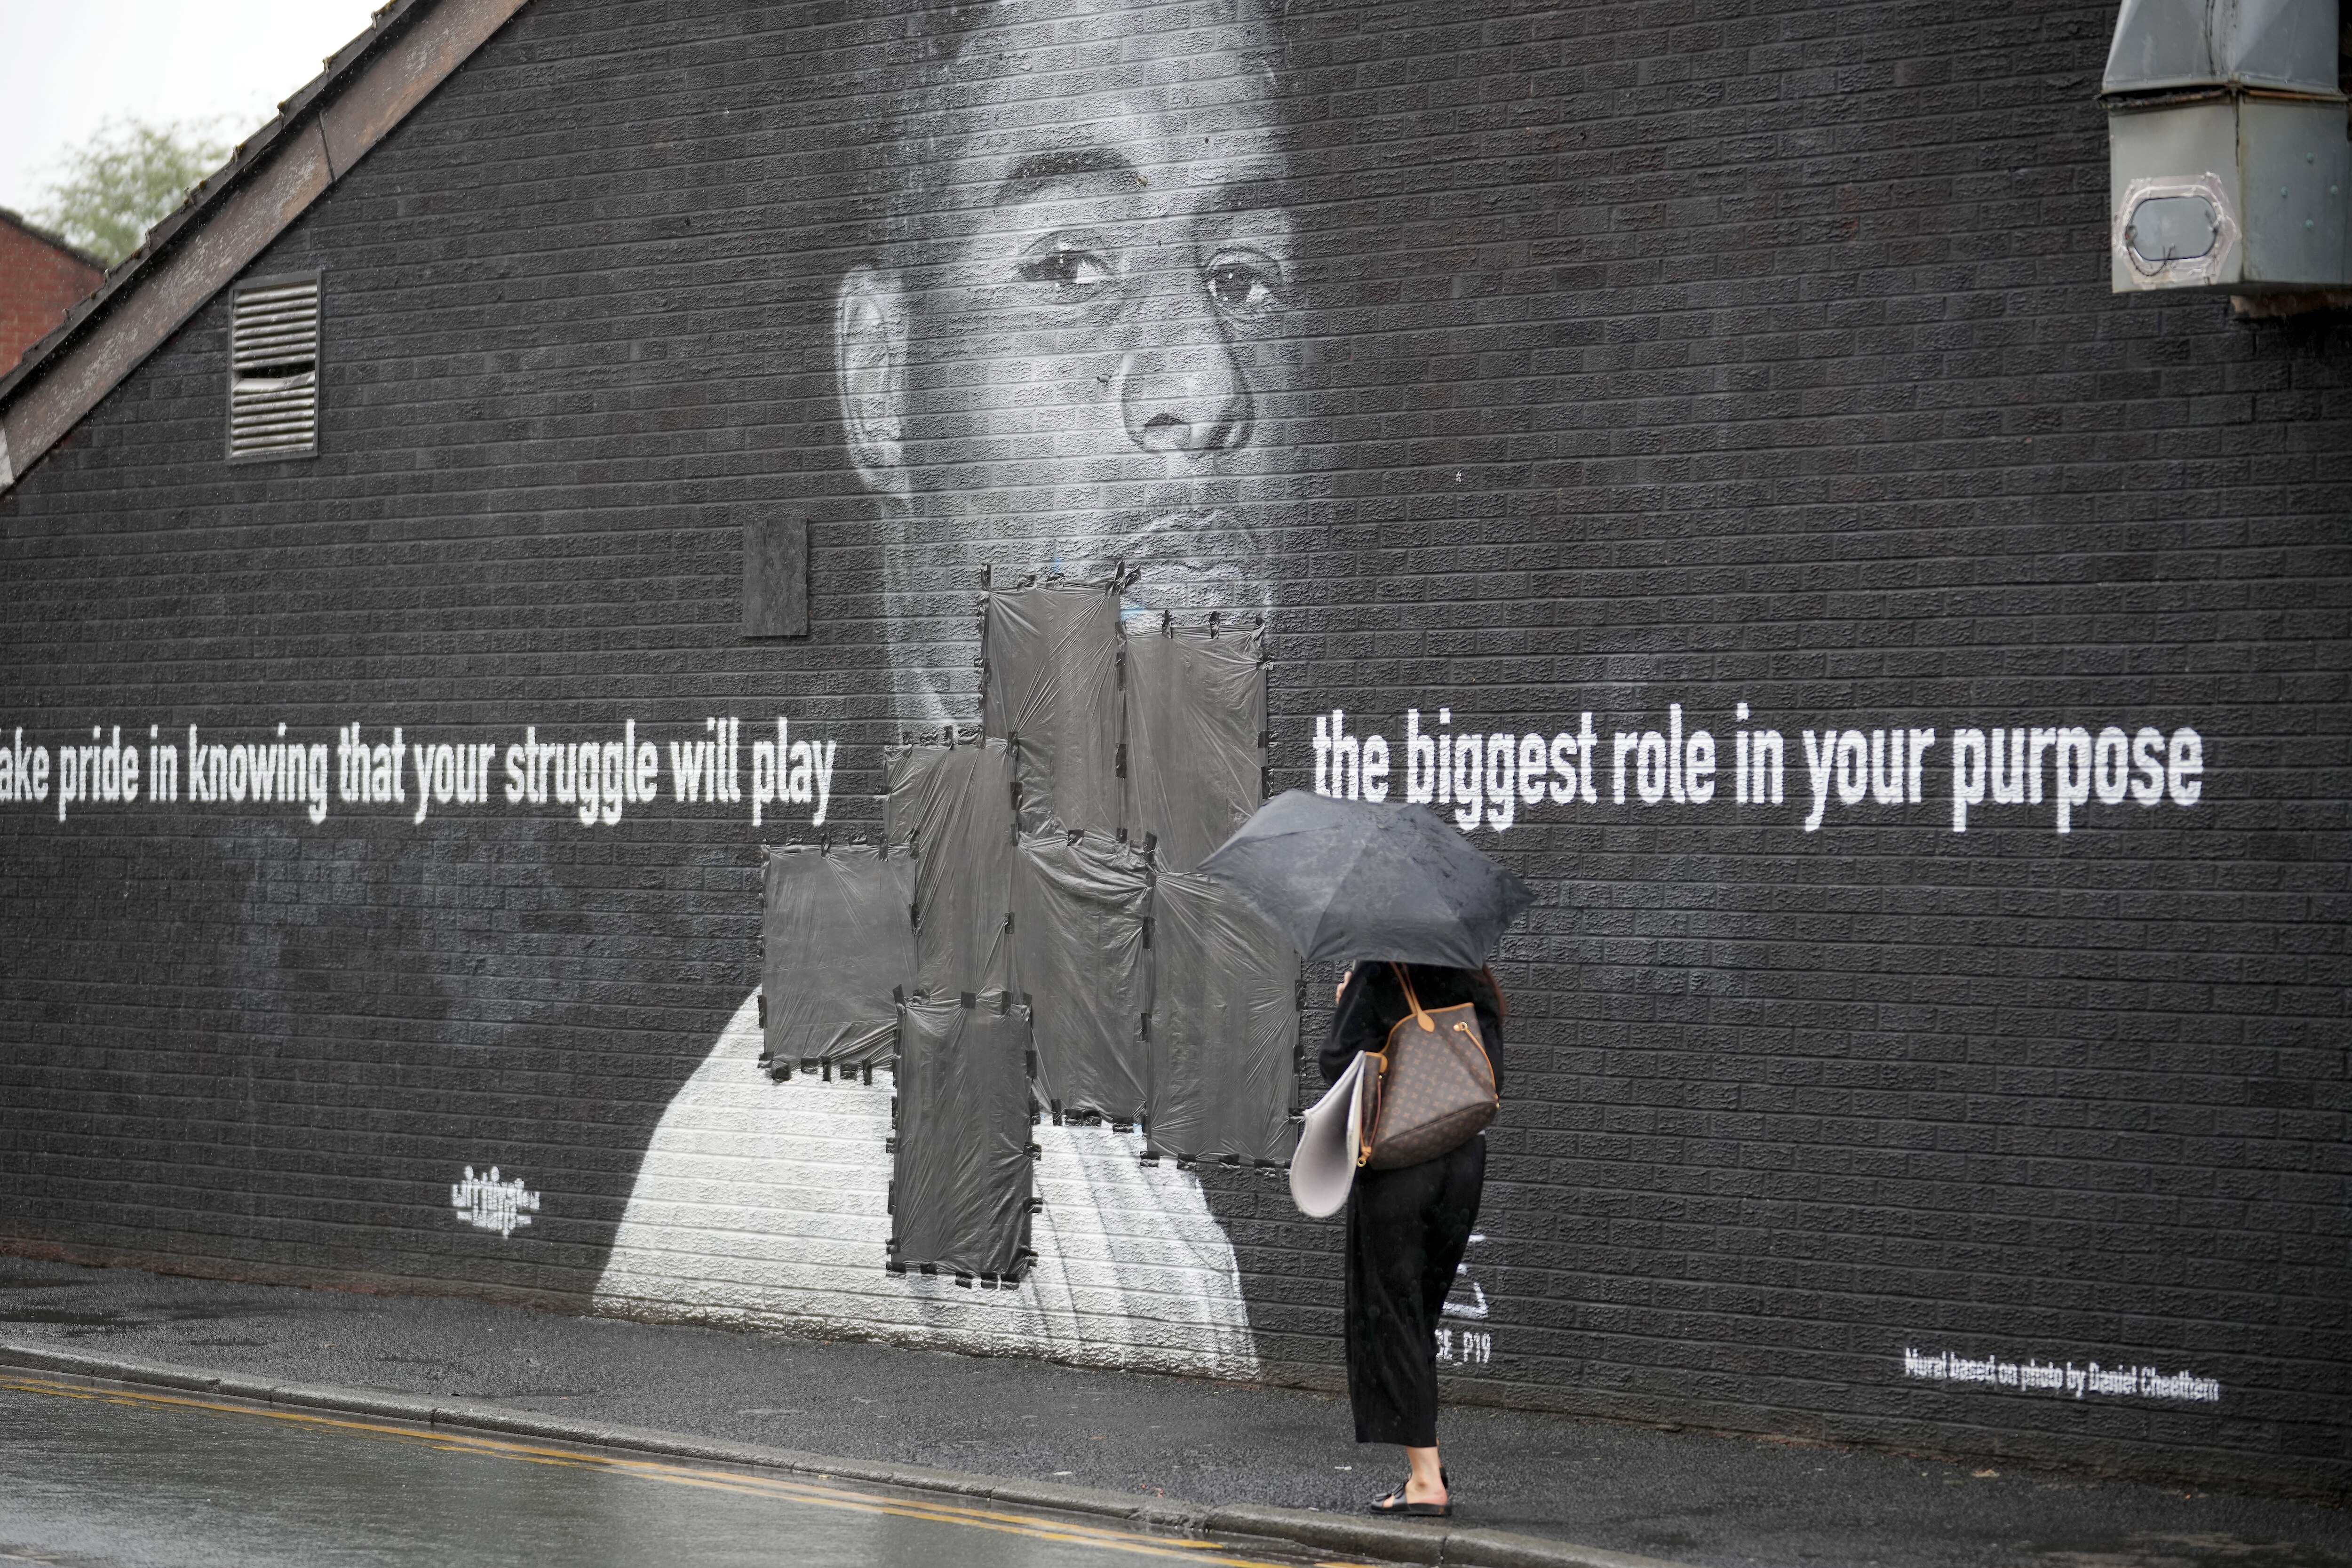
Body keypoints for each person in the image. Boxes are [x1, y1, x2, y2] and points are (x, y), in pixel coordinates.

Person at [596, 0, 1305, 1376]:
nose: (1204, 382)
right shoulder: (825, 1182)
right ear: (883, 385)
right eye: (1070, 266)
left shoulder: (1106, 1125)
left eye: (1247, 274)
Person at [1322, 960, 1503, 1517]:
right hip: (1463, 1162)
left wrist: (1346, 1004)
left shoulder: (1377, 973)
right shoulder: (1472, 977)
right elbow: (1492, 1072)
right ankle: (1426, 1465)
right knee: (1417, 1315)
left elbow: (1338, 1068)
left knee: (1389, 1316)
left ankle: (1426, 1482)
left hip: (1400, 1165)